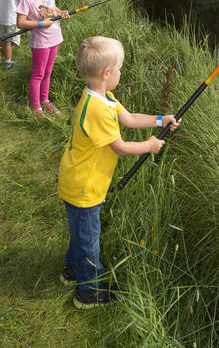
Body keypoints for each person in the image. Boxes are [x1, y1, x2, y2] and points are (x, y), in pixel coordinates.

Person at [57, 36, 180, 308]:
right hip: (84, 187)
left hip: (80, 181)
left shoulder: (103, 96)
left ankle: (72, 271)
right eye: (120, 68)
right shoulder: (97, 110)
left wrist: (162, 119)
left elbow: (131, 117)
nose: (122, 73)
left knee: (81, 232)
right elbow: (120, 147)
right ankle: (88, 292)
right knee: (90, 240)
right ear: (106, 73)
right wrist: (149, 146)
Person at [16, 0, 70, 119]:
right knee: (38, 75)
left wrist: (61, 13)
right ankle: (36, 108)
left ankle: (45, 100)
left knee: (48, 73)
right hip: (41, 43)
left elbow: (53, 9)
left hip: (54, 38)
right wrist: (40, 24)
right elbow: (20, 23)